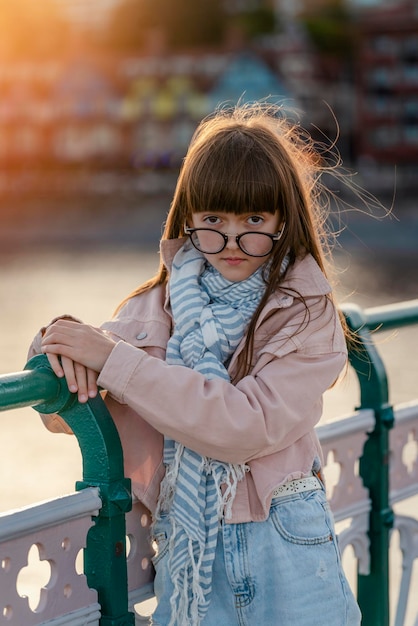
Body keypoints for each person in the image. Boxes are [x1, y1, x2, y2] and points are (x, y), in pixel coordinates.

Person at [32, 103, 362, 625]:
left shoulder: (305, 310)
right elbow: (61, 414)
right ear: (188, 217)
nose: (231, 242)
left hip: (287, 546)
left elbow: (244, 425)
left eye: (254, 220)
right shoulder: (154, 306)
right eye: (213, 220)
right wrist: (55, 346)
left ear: (284, 218)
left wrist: (115, 361)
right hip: (191, 555)